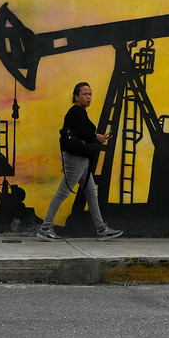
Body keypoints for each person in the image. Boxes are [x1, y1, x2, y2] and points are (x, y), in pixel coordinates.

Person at [37, 82, 124, 242]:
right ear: (76, 97)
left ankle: (101, 229)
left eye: (90, 94)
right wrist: (95, 136)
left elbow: (75, 134)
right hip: (76, 158)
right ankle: (45, 228)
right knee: (63, 192)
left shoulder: (80, 112)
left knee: (91, 193)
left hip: (79, 159)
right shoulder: (76, 112)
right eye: (85, 94)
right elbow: (78, 133)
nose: (88, 97)